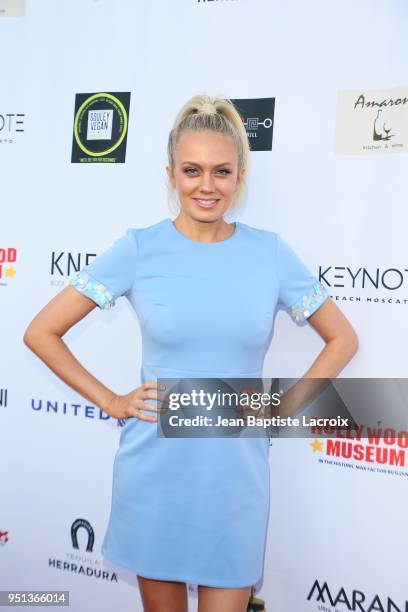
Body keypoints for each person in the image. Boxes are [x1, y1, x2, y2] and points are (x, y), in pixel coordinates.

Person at [23, 94, 358, 612]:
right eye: (192, 170)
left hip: (234, 472)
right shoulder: (138, 248)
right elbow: (42, 331)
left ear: (240, 175)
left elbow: (343, 339)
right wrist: (113, 401)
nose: (207, 186)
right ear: (170, 173)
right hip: (155, 469)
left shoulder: (270, 253)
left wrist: (282, 408)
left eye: (222, 171)